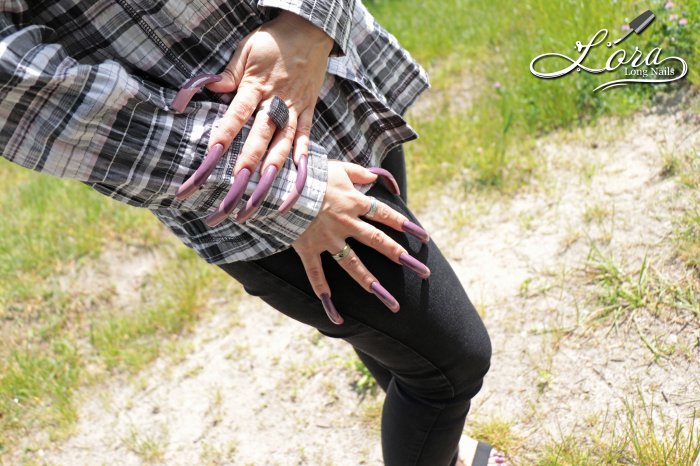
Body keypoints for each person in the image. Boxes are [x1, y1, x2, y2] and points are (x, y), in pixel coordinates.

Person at [0, 1, 505, 464]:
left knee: (405, 342)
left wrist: (311, 23)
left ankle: (442, 451)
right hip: (246, 179)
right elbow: (22, 91)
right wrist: (286, 189)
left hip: (334, 74)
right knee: (451, 363)